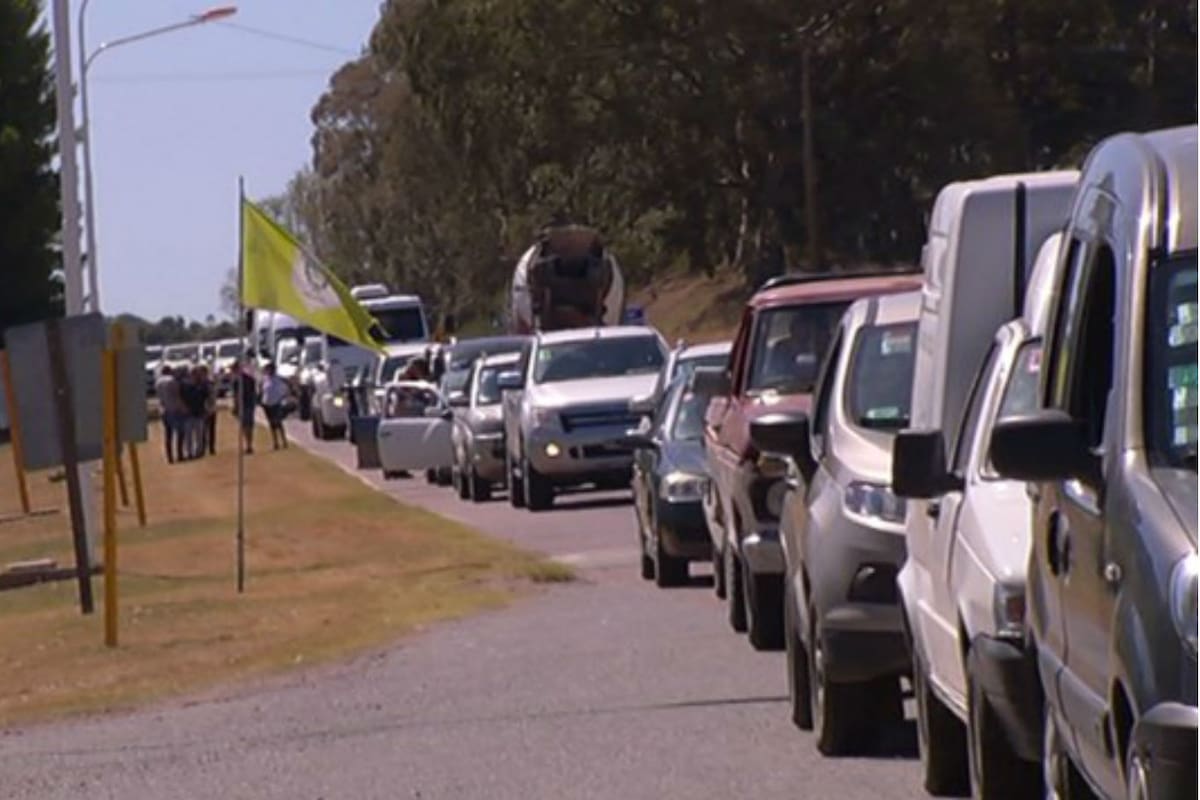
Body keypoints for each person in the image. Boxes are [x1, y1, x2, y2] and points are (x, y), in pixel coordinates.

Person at [154, 365, 184, 463]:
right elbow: (177, 395)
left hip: (164, 409)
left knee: (168, 434)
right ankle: (180, 454)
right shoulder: (172, 381)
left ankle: (169, 456)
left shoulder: (157, 382)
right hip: (174, 409)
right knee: (180, 432)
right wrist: (182, 407)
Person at [259, 362, 290, 450]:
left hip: (276, 403)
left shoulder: (278, 379)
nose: (268, 371)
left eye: (269, 369)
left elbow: (286, 387)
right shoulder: (265, 379)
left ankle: (284, 441)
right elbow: (262, 390)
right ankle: (275, 443)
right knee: (271, 424)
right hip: (267, 404)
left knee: (278, 423)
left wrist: (283, 397)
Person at [180, 365, 208, 460]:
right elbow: (181, 397)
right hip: (188, 413)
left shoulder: (202, 385)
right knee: (189, 435)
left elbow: (206, 396)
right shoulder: (185, 385)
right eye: (194, 374)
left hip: (199, 412)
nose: (196, 376)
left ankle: (198, 452)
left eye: (198, 374)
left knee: (199, 434)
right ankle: (189, 453)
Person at [234, 355, 257, 454]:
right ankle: (249, 444)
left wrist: (236, 406)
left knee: (245, 425)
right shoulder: (250, 379)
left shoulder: (238, 381)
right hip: (249, 404)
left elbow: (237, 395)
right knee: (248, 426)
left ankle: (249, 444)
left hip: (245, 405)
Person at [199, 364, 218, 456]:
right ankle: (203, 447)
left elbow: (212, 396)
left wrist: (211, 407)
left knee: (211, 429)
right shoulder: (199, 383)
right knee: (203, 430)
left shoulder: (209, 383)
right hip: (203, 408)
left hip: (210, 408)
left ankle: (211, 447)